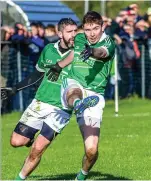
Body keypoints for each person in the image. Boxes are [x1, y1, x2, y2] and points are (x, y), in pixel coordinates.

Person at [1, 18, 78, 180]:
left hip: (61, 110)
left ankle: (19, 178)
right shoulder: (49, 50)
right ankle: (29, 138)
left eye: (75, 31)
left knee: (37, 149)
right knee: (16, 142)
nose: (73, 35)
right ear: (60, 33)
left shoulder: (79, 53)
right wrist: (14, 89)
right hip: (40, 102)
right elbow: (37, 75)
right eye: (69, 32)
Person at [46, 11, 115, 180]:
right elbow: (73, 52)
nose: (91, 33)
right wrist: (59, 65)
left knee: (91, 150)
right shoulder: (79, 38)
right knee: (73, 91)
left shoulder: (108, 42)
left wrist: (92, 51)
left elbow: (102, 53)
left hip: (95, 94)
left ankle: (81, 176)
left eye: (95, 28)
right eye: (87, 29)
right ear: (82, 29)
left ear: (103, 27)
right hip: (74, 83)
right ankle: (77, 104)